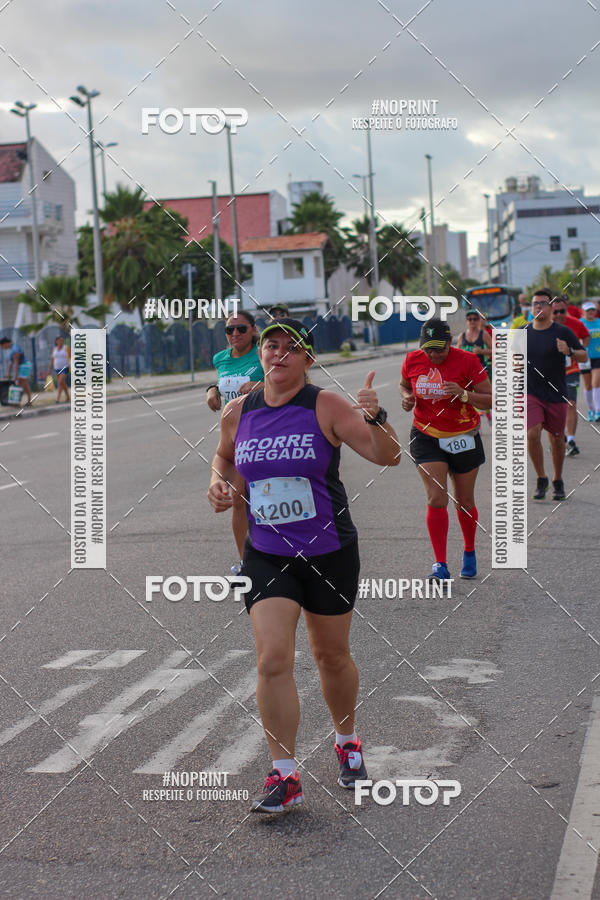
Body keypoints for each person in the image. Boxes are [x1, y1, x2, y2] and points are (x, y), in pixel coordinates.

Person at [208, 318, 400, 813]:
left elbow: (388, 457)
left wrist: (377, 419)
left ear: (308, 360)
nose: (279, 354)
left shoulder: (327, 405)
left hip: (328, 551)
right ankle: (285, 773)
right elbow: (223, 457)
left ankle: (347, 739)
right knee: (272, 658)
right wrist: (218, 481)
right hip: (267, 552)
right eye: (271, 345)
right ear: (262, 354)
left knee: (330, 656)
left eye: (291, 349)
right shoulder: (238, 411)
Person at [399, 318, 492, 582]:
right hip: (426, 434)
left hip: (463, 434)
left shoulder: (468, 361)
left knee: (464, 502)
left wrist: (464, 394)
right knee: (436, 498)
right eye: (428, 349)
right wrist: (406, 398)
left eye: (439, 348)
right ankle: (440, 565)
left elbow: (492, 399)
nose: (433, 354)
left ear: (451, 342)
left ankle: (470, 551)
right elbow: (405, 385)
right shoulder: (413, 360)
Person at [206, 311, 265, 571]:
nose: (235, 334)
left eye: (241, 329)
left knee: (258, 498)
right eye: (229, 330)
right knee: (239, 499)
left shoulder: (264, 353)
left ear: (253, 329)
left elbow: (283, 381)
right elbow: (222, 383)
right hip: (234, 434)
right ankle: (246, 562)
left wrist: (261, 387)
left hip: (264, 429)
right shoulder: (220, 358)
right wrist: (211, 391)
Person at [526, 289, 587, 501]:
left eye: (543, 303)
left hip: (556, 394)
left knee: (557, 440)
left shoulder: (563, 332)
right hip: (530, 393)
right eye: (535, 304)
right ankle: (541, 477)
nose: (538, 307)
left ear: (551, 307)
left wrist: (569, 351)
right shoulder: (523, 333)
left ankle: (557, 479)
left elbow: (583, 355)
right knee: (532, 433)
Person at [550, 296, 590, 455]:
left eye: (562, 311)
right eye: (555, 312)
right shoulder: (544, 326)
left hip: (571, 371)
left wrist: (579, 348)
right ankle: (560, 438)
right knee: (554, 407)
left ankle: (571, 440)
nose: (559, 315)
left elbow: (585, 335)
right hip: (551, 373)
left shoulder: (575, 323)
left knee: (571, 403)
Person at [457, 310, 492, 422]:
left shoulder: (484, 334)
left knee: (483, 396)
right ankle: (476, 420)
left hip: (483, 370)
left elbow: (495, 350)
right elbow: (456, 353)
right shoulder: (462, 336)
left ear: (478, 321)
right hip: (466, 372)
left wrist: (481, 351)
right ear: (466, 321)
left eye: (475, 319)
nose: (472, 321)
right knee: (470, 397)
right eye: (470, 319)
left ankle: (486, 412)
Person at [581, 300, 600, 422]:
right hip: (584, 358)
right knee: (587, 386)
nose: (591, 312)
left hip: (598, 357)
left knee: (596, 383)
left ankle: (598, 410)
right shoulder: (580, 323)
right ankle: (590, 409)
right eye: (588, 310)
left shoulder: (599, 322)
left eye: (592, 310)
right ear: (583, 312)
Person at [0, 336, 32, 405]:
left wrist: (16, 375)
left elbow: (16, 363)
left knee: (21, 384)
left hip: (23, 366)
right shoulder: (13, 348)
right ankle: (29, 401)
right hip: (24, 365)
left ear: (5, 343)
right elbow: (11, 363)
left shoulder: (14, 350)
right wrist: (8, 374)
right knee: (25, 384)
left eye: (2, 346)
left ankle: (16, 401)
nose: (2, 348)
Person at [48, 335, 71, 404]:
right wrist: (50, 369)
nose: (61, 342)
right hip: (57, 368)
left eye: (62, 340)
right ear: (56, 341)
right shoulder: (54, 349)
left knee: (60, 382)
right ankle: (68, 397)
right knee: (63, 383)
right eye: (60, 340)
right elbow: (52, 359)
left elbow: (70, 357)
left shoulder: (66, 348)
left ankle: (58, 398)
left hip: (65, 367)